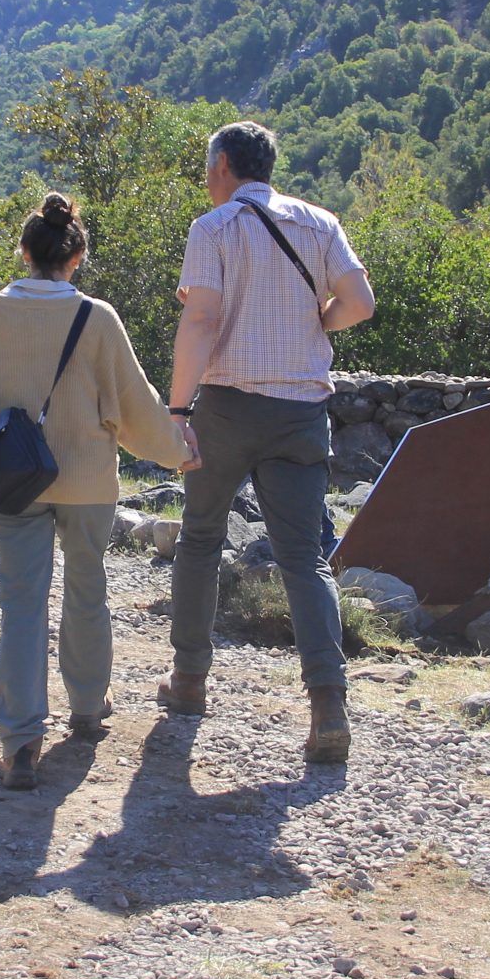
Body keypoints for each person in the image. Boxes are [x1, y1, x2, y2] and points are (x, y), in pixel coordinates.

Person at [0, 193, 189, 791]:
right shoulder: (98, 318)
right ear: (76, 257)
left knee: (21, 603)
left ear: (24, 253)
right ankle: (86, 705)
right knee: (87, 588)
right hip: (86, 481)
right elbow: (134, 406)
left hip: (12, 481)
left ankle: (21, 740)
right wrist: (178, 452)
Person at [156, 120, 376, 763]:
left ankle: (190, 682)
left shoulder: (214, 228)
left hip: (227, 406)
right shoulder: (318, 221)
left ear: (223, 164)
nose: (206, 179)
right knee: (304, 558)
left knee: (201, 536)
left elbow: (200, 318)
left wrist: (177, 408)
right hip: (303, 410)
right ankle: (328, 705)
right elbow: (359, 302)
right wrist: (318, 320)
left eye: (207, 167)